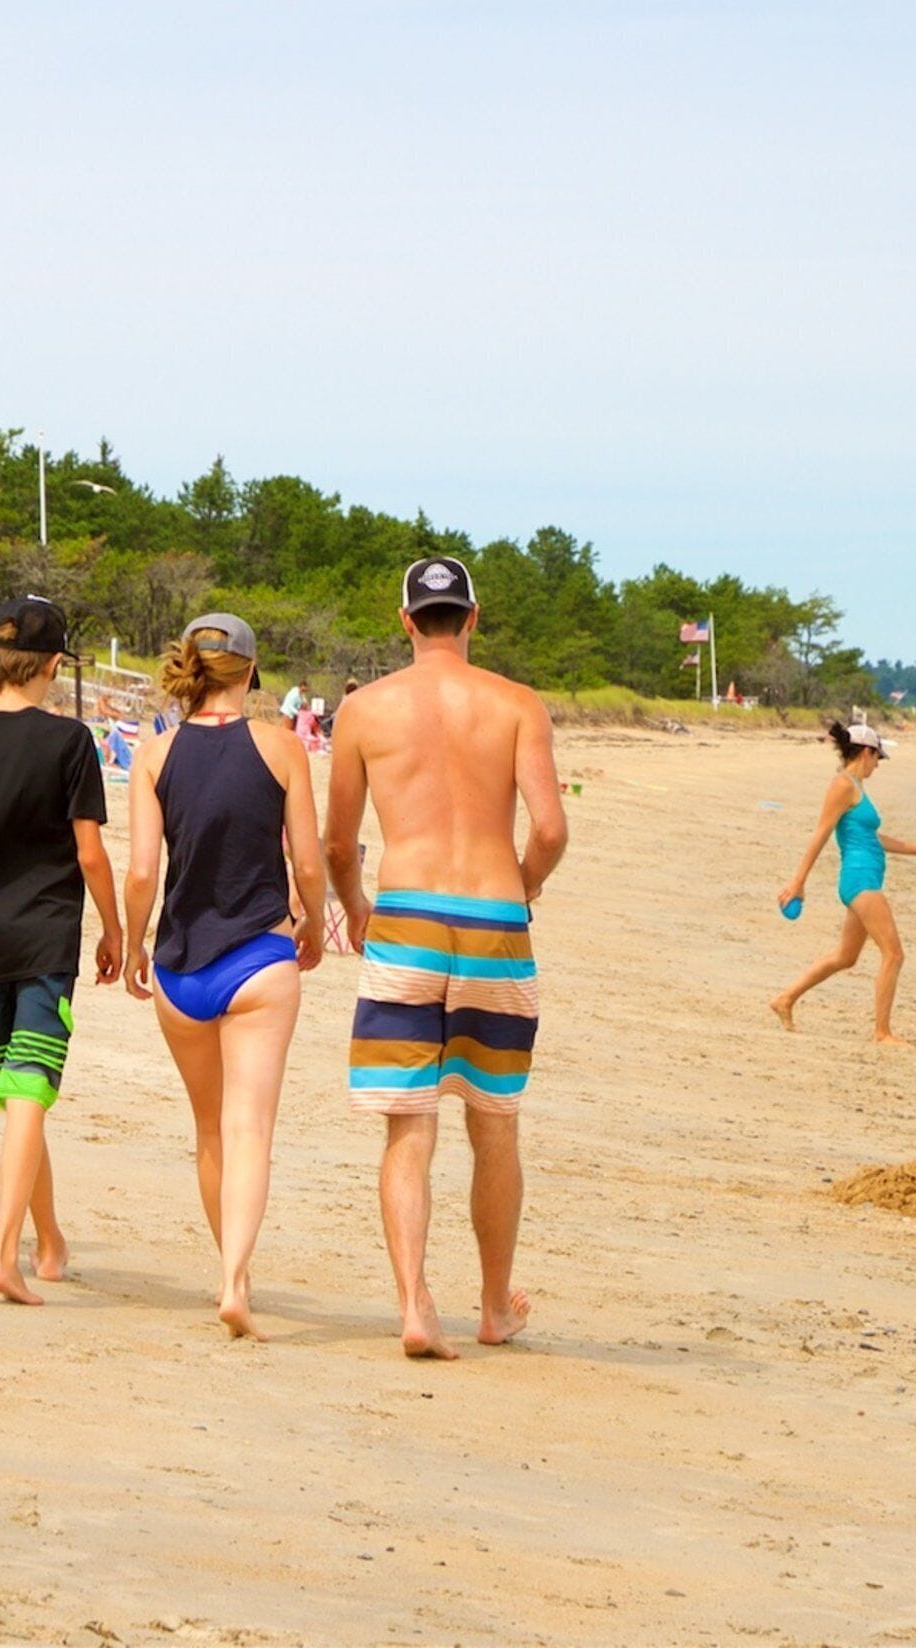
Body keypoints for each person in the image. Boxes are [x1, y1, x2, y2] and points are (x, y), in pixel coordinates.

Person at [324, 557, 567, 1359]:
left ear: (405, 620)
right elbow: (551, 828)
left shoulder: (364, 709)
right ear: (472, 617)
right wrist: (524, 885)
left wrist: (356, 906)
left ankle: (415, 1305)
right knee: (494, 1121)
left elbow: (337, 841)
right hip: (495, 918)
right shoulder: (517, 704)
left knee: (409, 1123)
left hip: (408, 915)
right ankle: (494, 1306)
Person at [118, 613, 328, 1338]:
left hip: (180, 968)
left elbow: (142, 871)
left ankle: (227, 1272)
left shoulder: (154, 754)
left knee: (209, 1129)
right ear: (251, 670)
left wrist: (135, 943)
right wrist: (315, 922)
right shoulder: (281, 746)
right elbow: (307, 862)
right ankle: (236, 1280)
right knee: (250, 1128)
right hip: (259, 958)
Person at [0, 595, 125, 1306]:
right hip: (43, 938)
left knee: (19, 1096)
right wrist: (116, 931)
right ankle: (5, 1255)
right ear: (52, 664)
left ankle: (49, 1241)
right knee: (28, 1094)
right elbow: (90, 853)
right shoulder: (71, 742)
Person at [772, 720, 916, 1042]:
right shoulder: (843, 785)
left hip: (866, 879)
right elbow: (821, 833)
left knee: (845, 957)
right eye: (878, 758)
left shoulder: (855, 786)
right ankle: (882, 1033)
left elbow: (870, 837)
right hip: (860, 880)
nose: (877, 765)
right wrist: (798, 882)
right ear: (867, 752)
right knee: (894, 954)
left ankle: (785, 999)